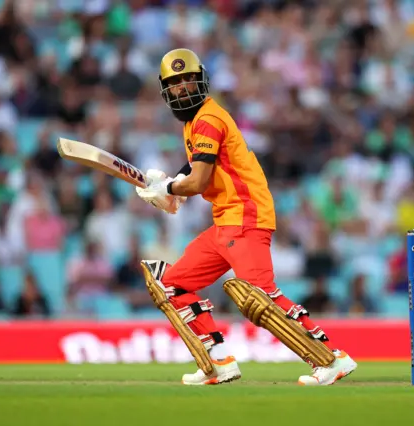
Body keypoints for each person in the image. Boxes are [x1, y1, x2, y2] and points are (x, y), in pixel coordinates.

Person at [135, 48, 357, 386]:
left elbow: (198, 181)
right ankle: (217, 361)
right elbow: (194, 169)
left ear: (201, 81)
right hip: (226, 218)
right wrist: (167, 189)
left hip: (245, 213)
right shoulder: (196, 122)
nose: (182, 88)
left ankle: (330, 357)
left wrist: (168, 187)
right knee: (172, 284)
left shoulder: (207, 120)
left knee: (260, 296)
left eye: (187, 80)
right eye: (174, 83)